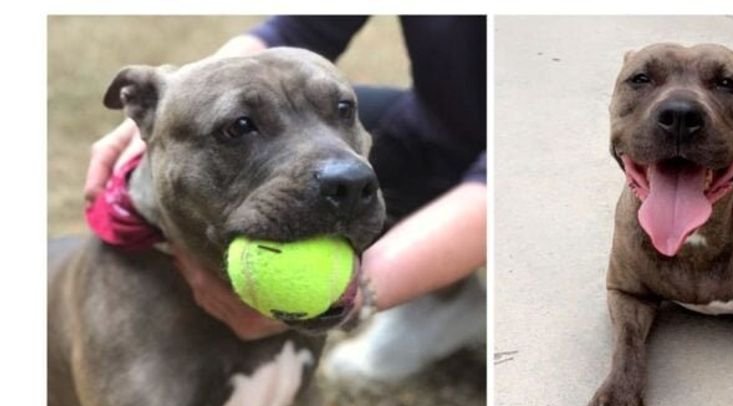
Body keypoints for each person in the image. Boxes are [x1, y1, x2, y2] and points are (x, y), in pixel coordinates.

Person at [85, 16, 487, 343]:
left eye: (342, 110)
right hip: (442, 122)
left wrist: (366, 290)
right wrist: (170, 100)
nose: (339, 169)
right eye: (240, 127)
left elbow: (514, 179)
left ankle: (443, 300)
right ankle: (450, 299)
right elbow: (300, 28)